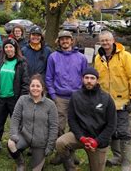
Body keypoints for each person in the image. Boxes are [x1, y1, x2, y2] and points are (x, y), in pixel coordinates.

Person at [94, 31, 131, 171]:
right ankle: (117, 156)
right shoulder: (98, 58)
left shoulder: (125, 56)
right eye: (102, 41)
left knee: (123, 131)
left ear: (113, 40)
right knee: (110, 130)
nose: (105, 43)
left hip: (122, 101)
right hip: (105, 102)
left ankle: (126, 162)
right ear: (100, 42)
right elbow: (97, 80)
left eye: (107, 40)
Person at [56, 68, 117, 171]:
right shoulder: (75, 96)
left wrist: (97, 141)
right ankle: (70, 168)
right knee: (60, 143)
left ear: (97, 80)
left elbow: (112, 124)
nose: (89, 80)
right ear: (82, 79)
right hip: (80, 137)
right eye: (86, 77)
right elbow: (72, 120)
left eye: (92, 78)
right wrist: (82, 138)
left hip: (98, 141)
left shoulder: (106, 98)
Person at [46, 30, 87, 165]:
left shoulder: (81, 58)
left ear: (71, 41)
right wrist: (53, 95)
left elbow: (85, 77)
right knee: (59, 126)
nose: (65, 41)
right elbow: (49, 77)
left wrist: (82, 95)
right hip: (59, 97)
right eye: (62, 39)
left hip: (77, 97)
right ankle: (60, 153)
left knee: (75, 126)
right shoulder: (53, 57)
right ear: (59, 41)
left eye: (67, 39)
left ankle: (71, 153)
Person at [0, 38, 29, 155]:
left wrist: (22, 98)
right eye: (6, 47)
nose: (8, 49)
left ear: (15, 48)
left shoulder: (21, 62)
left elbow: (25, 82)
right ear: (4, 49)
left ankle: (17, 146)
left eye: (11, 47)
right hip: (0, 98)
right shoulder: (1, 61)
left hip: (15, 98)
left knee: (17, 124)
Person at [7, 75, 58, 171]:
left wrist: (50, 146)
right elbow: (15, 118)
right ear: (29, 87)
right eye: (32, 86)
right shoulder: (22, 99)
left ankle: (40, 157)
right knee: (11, 143)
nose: (35, 88)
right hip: (24, 136)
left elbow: (54, 127)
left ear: (42, 88)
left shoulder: (50, 105)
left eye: (38, 86)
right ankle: (20, 163)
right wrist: (14, 134)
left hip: (40, 142)